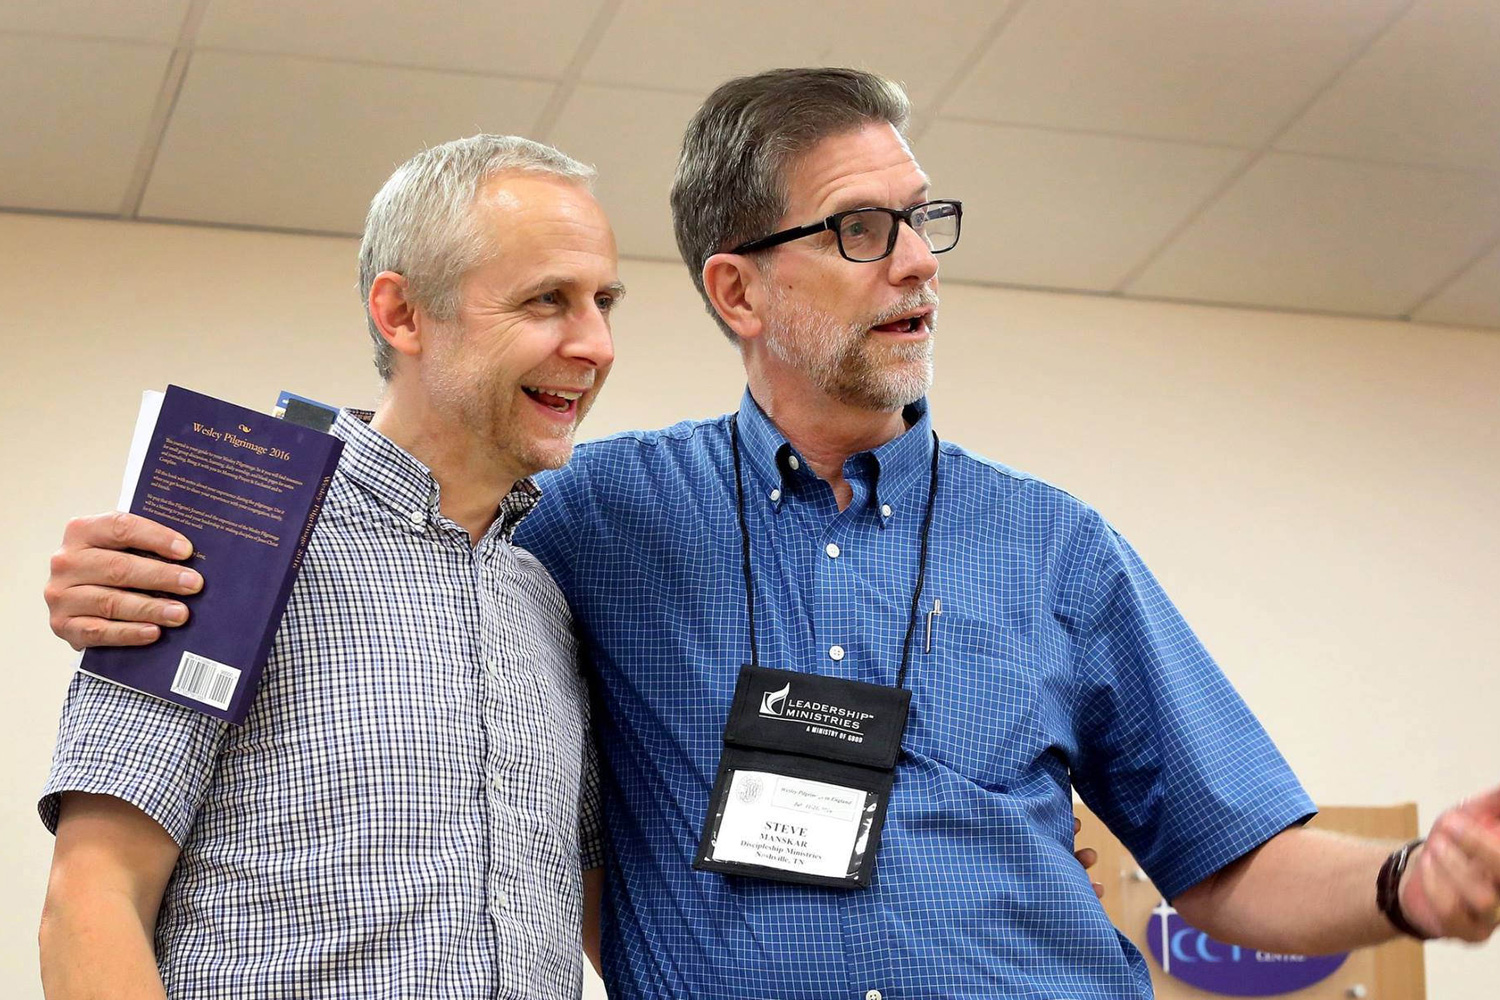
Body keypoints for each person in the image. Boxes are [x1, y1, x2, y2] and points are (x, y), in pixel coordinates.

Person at [43, 69, 1500, 999]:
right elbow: (407, 507)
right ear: (740, 294)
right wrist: (142, 558)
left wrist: (1402, 886)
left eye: (924, 220)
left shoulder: (1057, 550)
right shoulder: (584, 521)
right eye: (862, 232)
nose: (918, 260)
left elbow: (1229, 855)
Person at [36, 135, 622, 999]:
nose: (598, 345)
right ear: (404, 314)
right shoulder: (234, 527)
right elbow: (93, 899)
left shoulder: (547, 590)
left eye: (605, 302)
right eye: (547, 301)